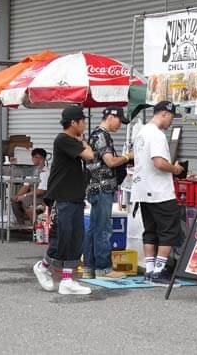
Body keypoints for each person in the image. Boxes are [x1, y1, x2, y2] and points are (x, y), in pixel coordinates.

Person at [33, 105, 94, 295]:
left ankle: (67, 280)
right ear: (73, 122)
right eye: (82, 121)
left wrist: (81, 140)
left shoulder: (71, 141)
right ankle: (42, 266)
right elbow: (90, 155)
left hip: (75, 197)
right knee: (62, 238)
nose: (85, 124)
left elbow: (88, 158)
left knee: (76, 238)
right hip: (63, 198)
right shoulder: (63, 139)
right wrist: (83, 141)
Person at [131, 101, 185, 284]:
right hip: (159, 191)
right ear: (164, 114)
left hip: (142, 189)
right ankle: (160, 271)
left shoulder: (141, 133)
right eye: (171, 117)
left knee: (151, 230)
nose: (171, 122)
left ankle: (150, 269)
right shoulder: (157, 135)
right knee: (169, 230)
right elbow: (159, 162)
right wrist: (175, 169)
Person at [82, 107, 131, 281]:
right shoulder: (101, 135)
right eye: (119, 121)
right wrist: (127, 157)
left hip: (95, 188)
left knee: (94, 228)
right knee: (103, 229)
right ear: (111, 117)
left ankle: (89, 267)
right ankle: (103, 268)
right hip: (102, 188)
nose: (120, 125)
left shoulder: (95, 135)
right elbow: (110, 161)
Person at [12, 148, 50, 225]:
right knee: (14, 201)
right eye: (36, 157)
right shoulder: (32, 171)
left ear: (44, 159)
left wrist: (24, 196)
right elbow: (26, 186)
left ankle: (36, 225)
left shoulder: (46, 172)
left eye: (41, 158)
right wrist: (17, 196)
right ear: (32, 158)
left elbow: (41, 191)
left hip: (43, 199)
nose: (38, 160)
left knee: (26, 199)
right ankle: (21, 226)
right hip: (33, 196)